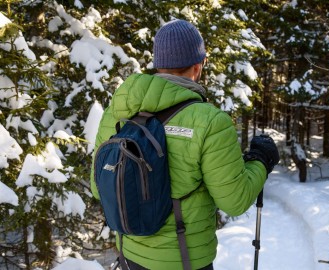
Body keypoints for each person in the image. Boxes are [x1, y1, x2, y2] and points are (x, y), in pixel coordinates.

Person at [90, 19, 279, 270]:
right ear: (198, 67)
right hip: (185, 261)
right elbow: (235, 200)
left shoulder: (119, 110)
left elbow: (97, 187)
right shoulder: (209, 121)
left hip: (130, 257)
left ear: (158, 64)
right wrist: (261, 161)